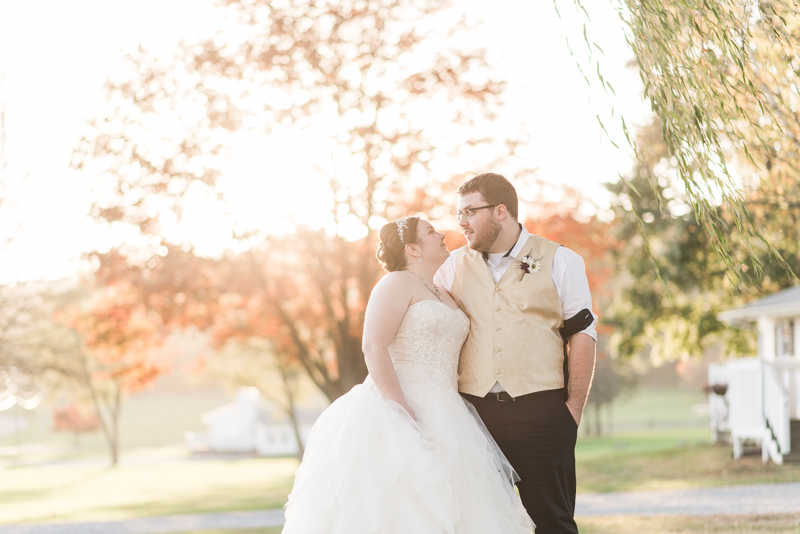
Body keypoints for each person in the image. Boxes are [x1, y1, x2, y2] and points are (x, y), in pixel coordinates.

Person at [281, 216, 534, 534]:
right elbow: (374, 345)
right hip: (399, 405)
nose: (441, 234)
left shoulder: (444, 291)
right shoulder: (395, 283)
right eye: (431, 232)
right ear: (413, 248)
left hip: (450, 410)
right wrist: (399, 409)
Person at [434, 173, 597, 534]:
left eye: (469, 212)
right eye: (458, 213)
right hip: (475, 415)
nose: (460, 222)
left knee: (553, 522)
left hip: (542, 411)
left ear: (500, 212)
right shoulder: (449, 267)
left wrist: (572, 411)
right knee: (480, 523)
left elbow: (583, 334)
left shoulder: (561, 260)